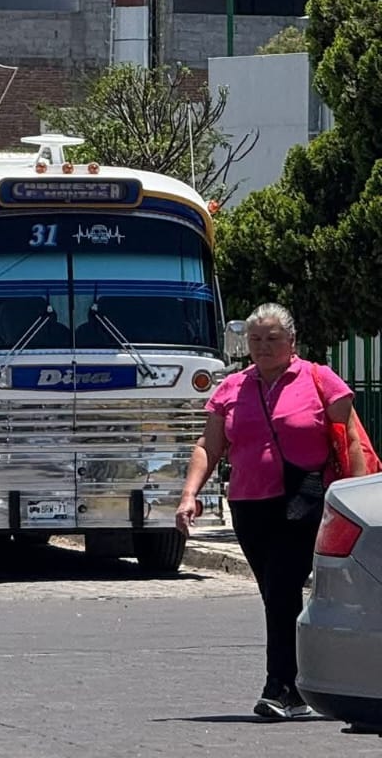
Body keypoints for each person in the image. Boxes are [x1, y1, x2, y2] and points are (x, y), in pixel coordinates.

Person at [176, 302, 367, 720]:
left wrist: (354, 497)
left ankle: (279, 687)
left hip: (305, 499)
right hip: (248, 505)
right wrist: (189, 494)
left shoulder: (318, 378)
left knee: (281, 587)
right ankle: (302, 686)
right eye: (255, 339)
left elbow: (350, 438)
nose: (262, 346)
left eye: (272, 339)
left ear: (291, 341)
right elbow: (209, 446)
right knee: (275, 595)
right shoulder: (232, 387)